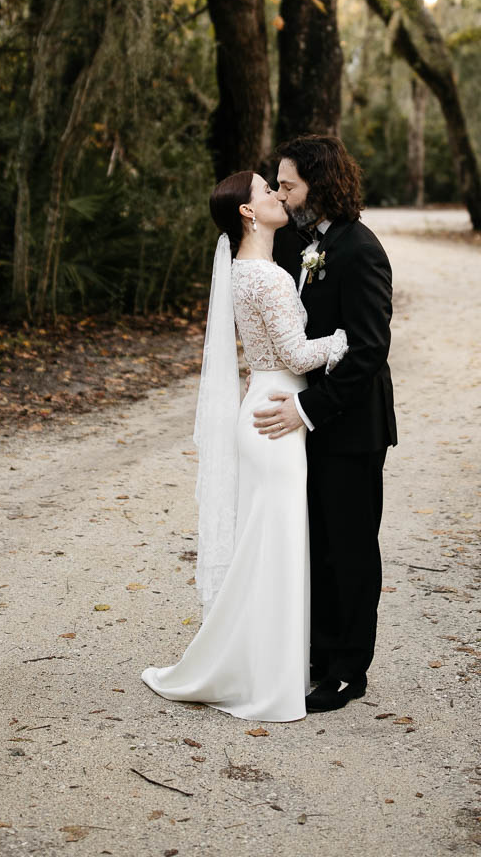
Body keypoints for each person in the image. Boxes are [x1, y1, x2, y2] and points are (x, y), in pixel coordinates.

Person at [141, 170, 346, 722]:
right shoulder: (269, 278)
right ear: (248, 214)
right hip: (278, 415)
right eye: (266, 190)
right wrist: (345, 339)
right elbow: (300, 356)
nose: (279, 195)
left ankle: (256, 664)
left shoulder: (244, 270)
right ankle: (264, 676)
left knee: (268, 545)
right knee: (274, 545)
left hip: (261, 401)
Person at [254, 134, 396, 713]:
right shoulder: (298, 245)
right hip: (307, 424)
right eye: (279, 186)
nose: (282, 196)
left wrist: (307, 410)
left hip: (352, 425)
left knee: (352, 548)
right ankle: (317, 654)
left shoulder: (362, 251)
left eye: (288, 184)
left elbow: (367, 349)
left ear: (321, 183)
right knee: (316, 544)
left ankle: (348, 670)